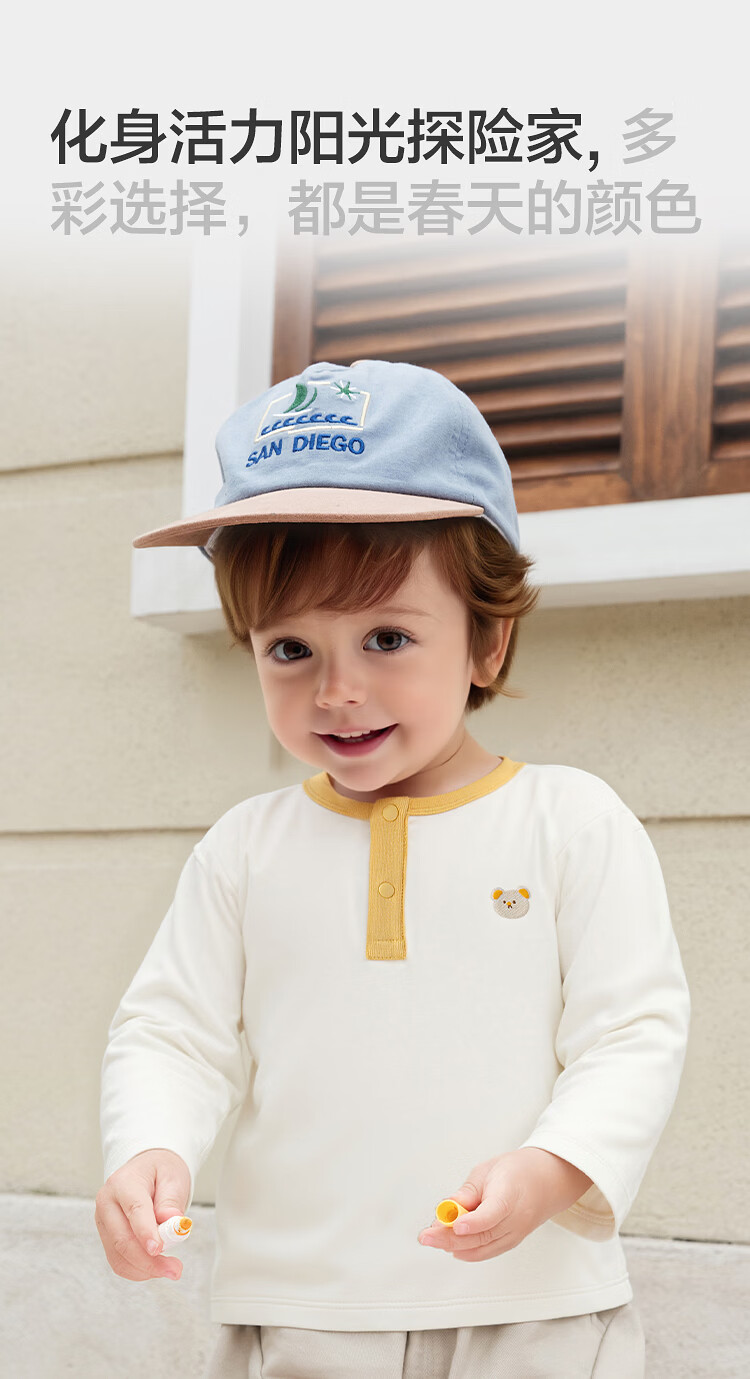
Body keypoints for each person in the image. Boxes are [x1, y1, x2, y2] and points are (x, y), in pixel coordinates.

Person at [96, 359, 690, 1378]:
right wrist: (150, 1145)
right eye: (290, 648)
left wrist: (557, 1166)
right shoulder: (245, 847)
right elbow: (172, 1030)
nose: (337, 689)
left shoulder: (569, 822)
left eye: (386, 637)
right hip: (299, 1306)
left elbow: (631, 1030)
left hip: (532, 1305)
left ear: (487, 641)